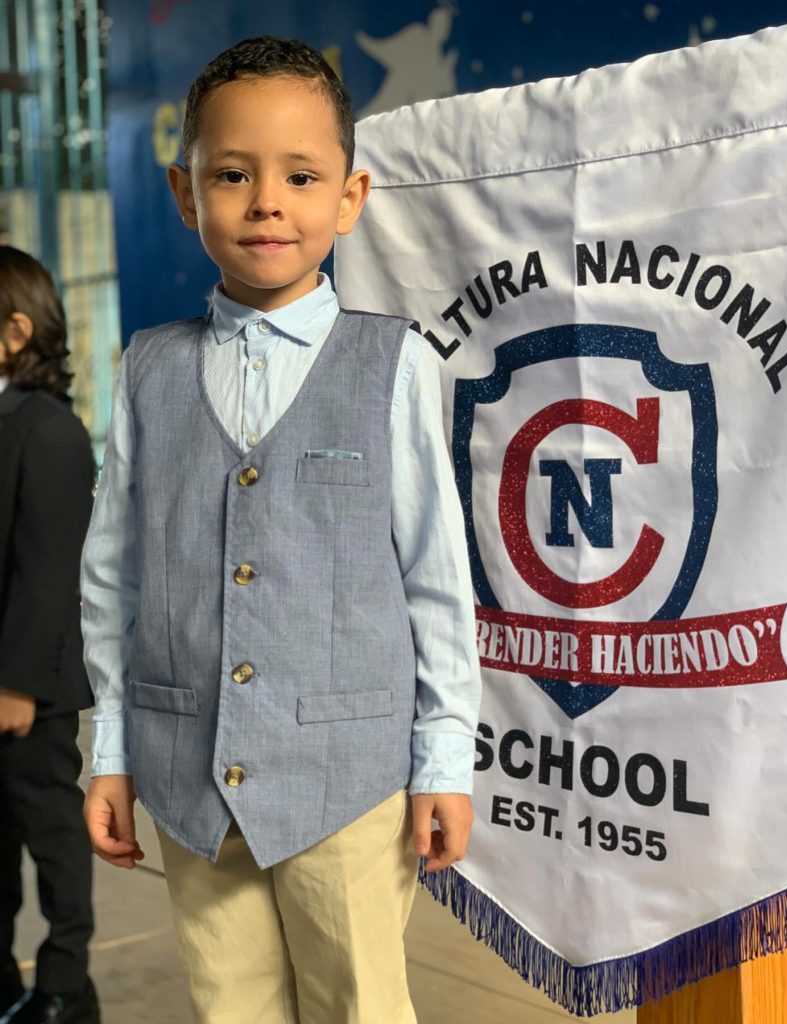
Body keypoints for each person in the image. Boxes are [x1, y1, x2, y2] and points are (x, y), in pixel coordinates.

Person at [81, 35, 481, 1024]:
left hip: (350, 780)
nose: (267, 202)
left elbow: (435, 576)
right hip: (187, 770)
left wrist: (443, 758)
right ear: (185, 194)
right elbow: (113, 575)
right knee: (231, 1005)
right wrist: (112, 750)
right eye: (232, 175)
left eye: (301, 176)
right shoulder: (147, 369)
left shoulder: (394, 364)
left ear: (349, 197)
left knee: (359, 1006)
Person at [0, 247, 99, 1024]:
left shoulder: (49, 431)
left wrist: (18, 686)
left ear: (15, 331)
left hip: (27, 688)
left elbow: (46, 571)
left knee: (52, 835)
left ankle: (66, 983)